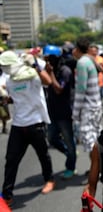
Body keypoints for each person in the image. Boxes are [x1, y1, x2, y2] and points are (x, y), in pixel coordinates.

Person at [0, 51, 55, 207]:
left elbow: (48, 81)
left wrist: (35, 65)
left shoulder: (32, 76)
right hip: (18, 124)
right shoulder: (9, 80)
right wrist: (5, 98)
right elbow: (16, 98)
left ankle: (49, 179)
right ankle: (7, 195)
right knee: (11, 160)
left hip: (35, 122)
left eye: (6, 66)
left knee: (43, 155)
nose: (4, 69)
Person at [44, 45, 77, 180]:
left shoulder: (65, 71)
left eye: (50, 58)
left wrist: (50, 73)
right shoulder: (50, 71)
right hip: (52, 112)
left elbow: (58, 89)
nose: (48, 62)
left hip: (64, 113)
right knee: (51, 138)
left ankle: (71, 167)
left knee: (69, 140)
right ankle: (70, 153)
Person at [72, 37, 102, 158]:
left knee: (90, 141)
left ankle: (96, 170)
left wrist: (75, 113)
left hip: (88, 107)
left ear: (77, 49)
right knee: (95, 137)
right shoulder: (90, 60)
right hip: (96, 105)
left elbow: (81, 91)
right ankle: (99, 168)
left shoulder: (82, 63)